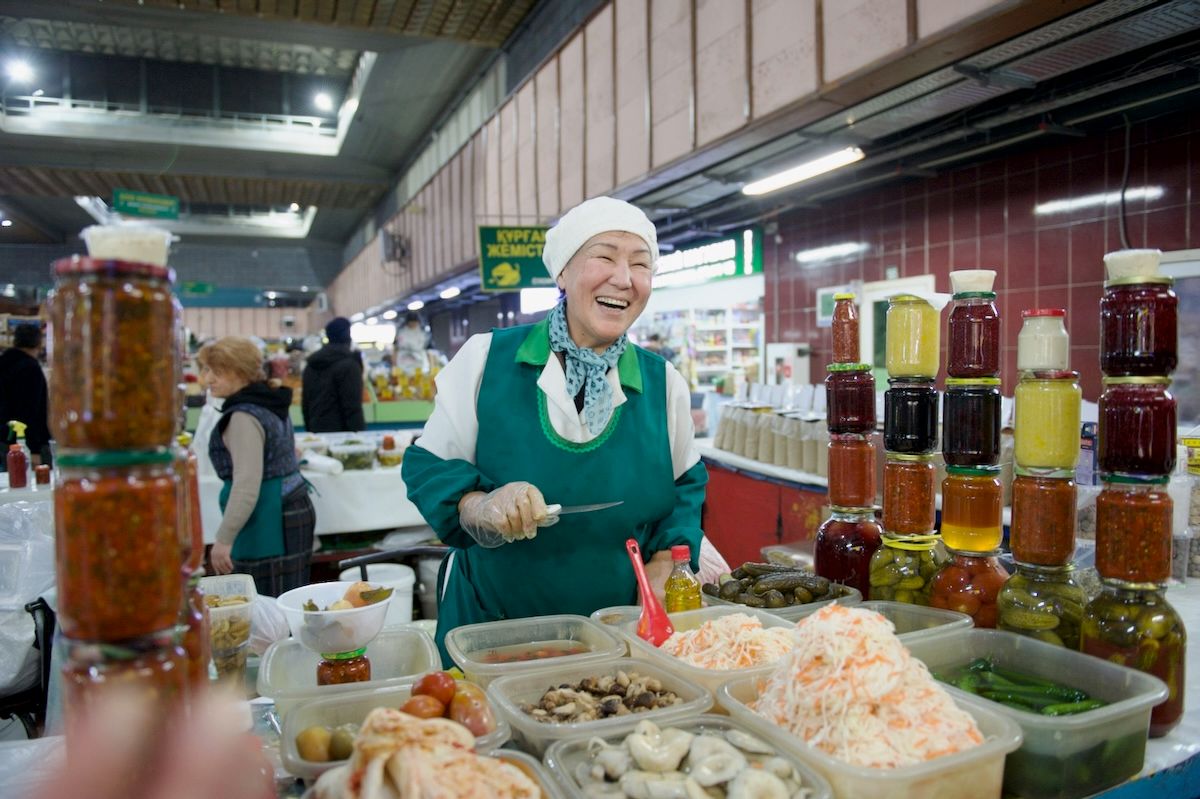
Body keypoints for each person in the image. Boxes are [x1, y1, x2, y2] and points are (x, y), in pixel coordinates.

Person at [402, 196, 710, 664]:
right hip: (492, 633)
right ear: (563, 273)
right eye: (605, 256)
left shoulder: (663, 383)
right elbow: (430, 466)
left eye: (640, 264)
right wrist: (480, 504)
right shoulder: (487, 360)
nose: (623, 278)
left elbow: (685, 488)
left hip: (617, 636)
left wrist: (667, 560)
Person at [198, 337, 315, 597]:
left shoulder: (243, 416)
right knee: (288, 600)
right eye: (207, 370)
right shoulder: (269, 400)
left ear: (240, 373)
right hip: (291, 508)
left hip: (269, 520)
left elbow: (246, 485)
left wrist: (224, 539)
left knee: (269, 603)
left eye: (217, 372)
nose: (208, 379)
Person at [302, 317, 366, 432]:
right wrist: (359, 436)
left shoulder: (311, 365)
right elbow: (353, 408)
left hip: (316, 431)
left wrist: (311, 432)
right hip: (343, 436)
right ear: (348, 336)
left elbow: (305, 404)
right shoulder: (349, 366)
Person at [0, 323, 51, 467]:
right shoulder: (30, 368)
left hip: (4, 440)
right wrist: (34, 449)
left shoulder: (3, 363)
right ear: (39, 343)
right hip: (25, 445)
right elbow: (30, 411)